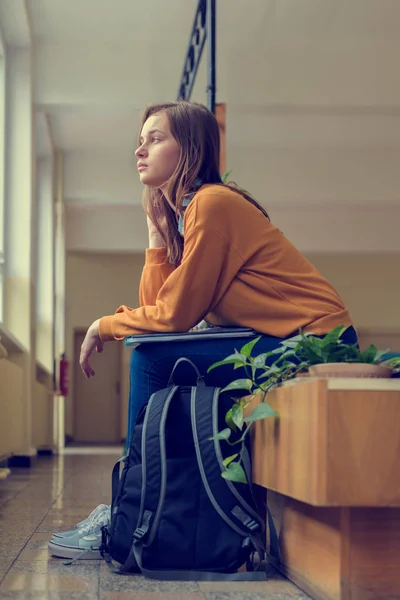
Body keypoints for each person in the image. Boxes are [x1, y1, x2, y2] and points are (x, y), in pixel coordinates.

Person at [48, 101, 357, 560]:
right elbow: (161, 309)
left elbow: (170, 317)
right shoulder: (186, 214)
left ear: (189, 148)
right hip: (280, 339)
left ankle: (131, 508)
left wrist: (104, 326)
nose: (140, 150)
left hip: (313, 341)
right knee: (156, 354)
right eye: (141, 140)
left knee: (150, 359)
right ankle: (151, 504)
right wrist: (156, 235)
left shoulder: (211, 203)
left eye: (156, 139)